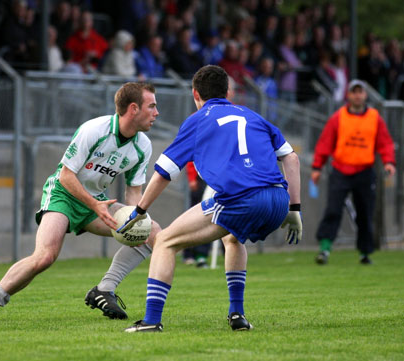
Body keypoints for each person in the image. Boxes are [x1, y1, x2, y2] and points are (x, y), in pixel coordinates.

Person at [120, 65, 302, 332]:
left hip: (243, 199)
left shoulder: (198, 120)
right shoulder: (253, 116)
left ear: (196, 94)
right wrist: (294, 208)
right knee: (231, 237)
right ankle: (237, 315)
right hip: (278, 200)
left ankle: (151, 321)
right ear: (227, 92)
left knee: (166, 241)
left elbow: (163, 173)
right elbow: (291, 157)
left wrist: (139, 210)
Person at [0, 82, 161, 321]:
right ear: (133, 108)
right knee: (45, 257)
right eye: (152, 106)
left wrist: (135, 218)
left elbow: (134, 192)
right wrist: (94, 205)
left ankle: (104, 290)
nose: (157, 113)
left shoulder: (143, 146)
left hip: (97, 202)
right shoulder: (94, 130)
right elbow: (66, 176)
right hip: (63, 194)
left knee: (151, 231)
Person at [311, 79, 396, 265]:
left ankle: (365, 252)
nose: (357, 95)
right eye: (354, 92)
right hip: (340, 170)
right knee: (333, 209)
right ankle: (325, 249)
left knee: (365, 213)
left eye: (360, 92)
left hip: (365, 172)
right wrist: (317, 167)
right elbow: (325, 143)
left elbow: (385, 143)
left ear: (365, 95)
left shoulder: (375, 118)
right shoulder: (338, 117)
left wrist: (389, 162)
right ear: (348, 95)